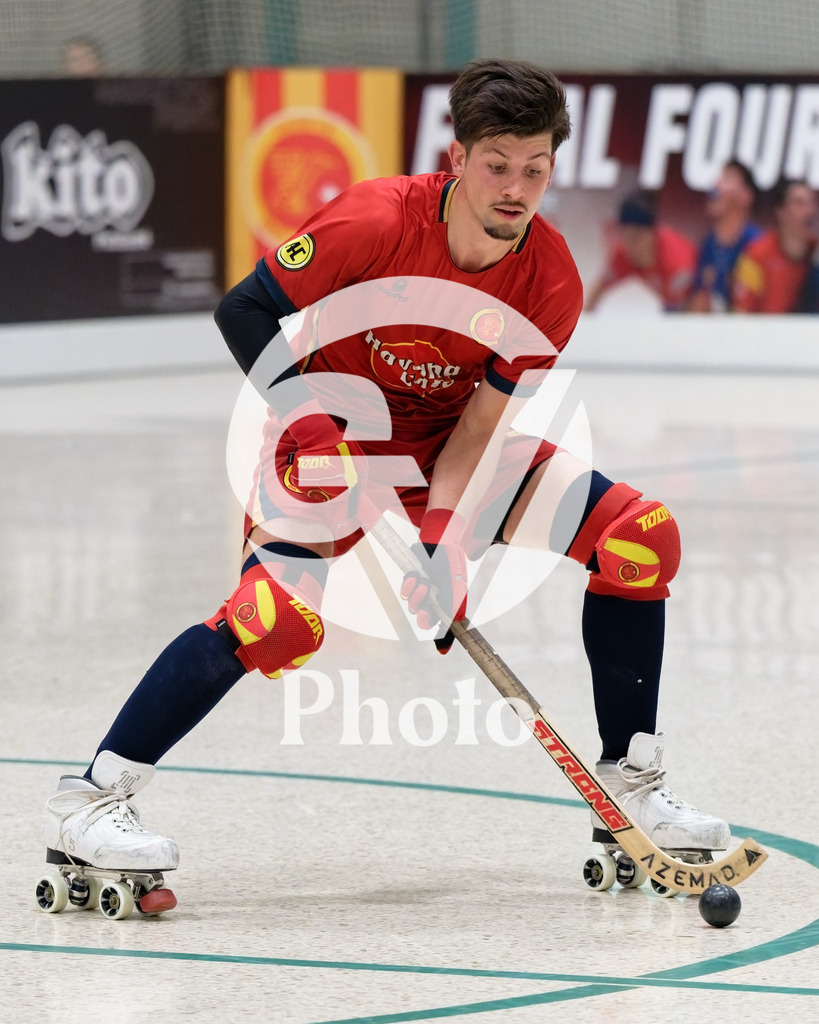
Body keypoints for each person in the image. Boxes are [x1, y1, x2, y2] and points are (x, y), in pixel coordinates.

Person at [43, 59, 729, 903]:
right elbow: (243, 309)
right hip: (327, 434)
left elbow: (480, 424)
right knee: (275, 622)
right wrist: (303, 419)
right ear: (457, 158)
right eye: (497, 165)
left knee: (637, 538)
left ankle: (629, 786)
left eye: (535, 169)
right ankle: (90, 799)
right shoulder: (374, 220)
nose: (515, 188)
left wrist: (444, 542)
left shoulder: (550, 280)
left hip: (444, 446)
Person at [584, 190, 697, 313]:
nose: (631, 246)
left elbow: (693, 305)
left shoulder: (676, 263)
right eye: (625, 237)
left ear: (653, 233)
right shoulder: (623, 253)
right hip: (672, 300)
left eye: (636, 237)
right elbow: (597, 290)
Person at [732, 178, 817, 313]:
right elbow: (741, 314)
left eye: (813, 203)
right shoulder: (757, 255)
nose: (809, 211)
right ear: (780, 211)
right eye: (800, 203)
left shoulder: (816, 252)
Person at [688, 160, 760, 312]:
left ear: (746, 196)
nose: (716, 185)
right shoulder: (708, 244)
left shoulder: (756, 245)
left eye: (727, 178)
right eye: (718, 178)